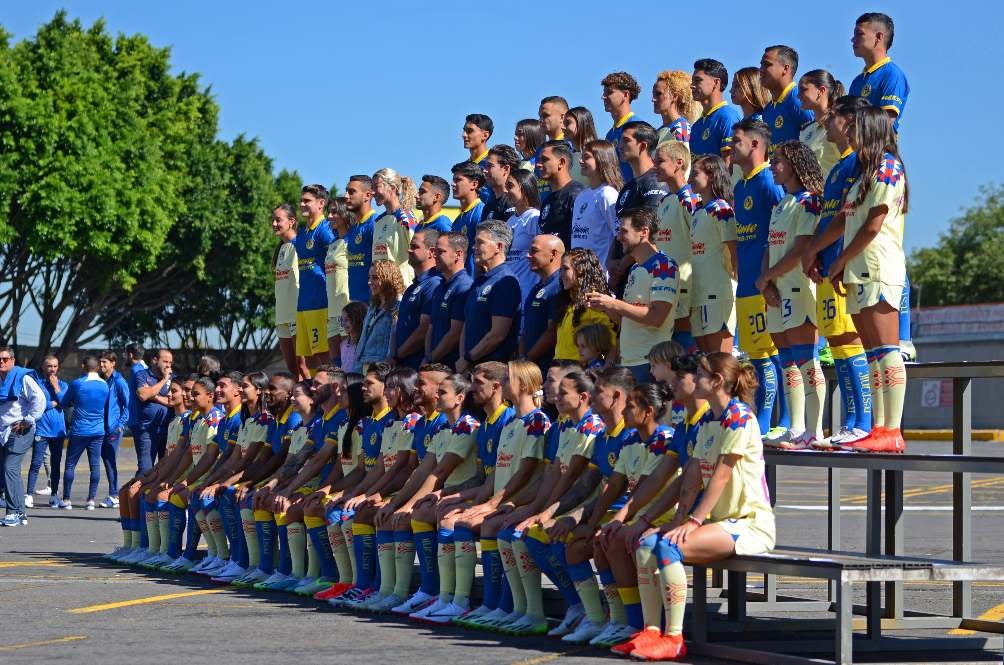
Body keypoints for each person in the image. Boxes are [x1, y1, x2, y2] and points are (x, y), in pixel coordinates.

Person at [632, 353, 774, 661]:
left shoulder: (739, 417)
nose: (694, 378)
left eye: (700, 373)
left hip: (748, 523)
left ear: (717, 381)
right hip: (720, 523)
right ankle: (651, 631)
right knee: (646, 546)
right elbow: (692, 476)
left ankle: (674, 638)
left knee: (669, 547)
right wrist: (678, 519)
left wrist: (693, 522)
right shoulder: (708, 419)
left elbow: (721, 476)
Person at [829, 105, 909, 453]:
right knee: (873, 354)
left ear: (871, 129)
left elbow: (873, 226)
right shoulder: (865, 172)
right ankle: (879, 427)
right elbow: (848, 223)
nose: (848, 132)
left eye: (854, 127)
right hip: (858, 269)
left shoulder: (888, 167)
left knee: (887, 350)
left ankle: (893, 429)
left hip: (878, 268)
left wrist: (840, 261)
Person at [802, 95, 872, 447]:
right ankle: (851, 422)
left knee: (849, 339)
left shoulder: (859, 164)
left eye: (832, 118)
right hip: (829, 264)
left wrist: (815, 248)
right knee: (837, 340)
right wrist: (817, 253)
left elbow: (846, 218)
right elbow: (828, 216)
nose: (826, 123)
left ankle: (863, 421)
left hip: (845, 264)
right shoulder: (837, 167)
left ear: (849, 122)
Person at [757, 140, 826, 449]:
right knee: (788, 363)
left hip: (799, 289)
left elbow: (801, 250)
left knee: (806, 360)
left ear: (796, 165)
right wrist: (766, 283)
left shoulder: (809, 202)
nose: (773, 166)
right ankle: (795, 428)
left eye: (778, 161)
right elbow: (770, 248)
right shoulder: (781, 204)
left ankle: (815, 430)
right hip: (777, 291)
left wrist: (767, 277)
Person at [731, 119, 786, 437]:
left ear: (755, 144)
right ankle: (764, 419)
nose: (731, 145)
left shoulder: (768, 181)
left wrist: (771, 278)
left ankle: (782, 420)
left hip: (766, 284)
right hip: (747, 283)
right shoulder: (741, 186)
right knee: (756, 355)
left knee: (773, 354)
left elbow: (782, 230)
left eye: (736, 140)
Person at [587, 208, 679, 382]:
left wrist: (614, 304)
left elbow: (657, 317)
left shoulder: (664, 265)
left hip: (650, 363)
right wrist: (605, 307)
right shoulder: (636, 268)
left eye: (624, 231)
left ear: (644, 232)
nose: (618, 237)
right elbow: (626, 320)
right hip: (628, 362)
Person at [688, 155, 739, 353]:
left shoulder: (721, 209)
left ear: (711, 176)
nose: (690, 178)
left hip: (718, 293)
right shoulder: (698, 211)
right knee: (706, 360)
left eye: (695, 173)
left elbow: (733, 248)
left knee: (721, 360)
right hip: (699, 293)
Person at [458, 220, 522, 373]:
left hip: (492, 373)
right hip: (471, 369)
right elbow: (467, 324)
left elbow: (497, 335)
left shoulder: (505, 281)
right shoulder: (479, 281)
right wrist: (463, 359)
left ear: (499, 247)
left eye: (480, 242)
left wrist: (467, 358)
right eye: (474, 242)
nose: (474, 247)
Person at [654, 140, 700, 352]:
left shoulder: (690, 198)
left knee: (686, 340)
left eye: (660, 161)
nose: (654, 166)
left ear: (679, 163)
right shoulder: (664, 201)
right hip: (668, 282)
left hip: (688, 282)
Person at [0, 347, 46, 526]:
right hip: (4, 432)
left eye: (5, 359)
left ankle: (12, 513)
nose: (1, 362)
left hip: (20, 431)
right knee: (10, 472)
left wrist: (29, 420)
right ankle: (20, 513)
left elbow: (40, 399)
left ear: (12, 360)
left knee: (9, 468)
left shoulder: (22, 378)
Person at [59, 356, 110, 511]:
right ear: (97, 367)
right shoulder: (105, 385)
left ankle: (66, 499)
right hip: (98, 430)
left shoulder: (77, 383)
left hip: (79, 430)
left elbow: (64, 402)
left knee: (70, 464)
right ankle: (91, 500)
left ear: (83, 366)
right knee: (95, 465)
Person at [294, 184, 336, 370]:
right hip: (303, 302)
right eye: (301, 200)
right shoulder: (303, 232)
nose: (302, 204)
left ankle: (328, 386)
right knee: (309, 357)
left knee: (323, 354)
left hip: (320, 302)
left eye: (307, 201)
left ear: (321, 203)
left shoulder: (325, 229)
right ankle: (313, 387)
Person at [390, 228, 442, 369]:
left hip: (417, 367)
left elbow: (424, 329)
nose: (409, 250)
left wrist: (397, 355)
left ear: (432, 252)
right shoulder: (413, 287)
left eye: (415, 247)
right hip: (403, 365)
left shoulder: (434, 284)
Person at [849, 11, 909, 132]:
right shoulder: (857, 81)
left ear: (879, 37)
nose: (852, 39)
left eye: (859, 34)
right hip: (857, 145)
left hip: (877, 144)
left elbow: (886, 123)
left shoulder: (892, 75)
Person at [554, 248, 616, 363]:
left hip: (580, 367)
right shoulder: (568, 301)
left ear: (581, 270)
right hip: (560, 364)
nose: (561, 274)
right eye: (560, 269)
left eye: (566, 269)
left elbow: (609, 339)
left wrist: (604, 365)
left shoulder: (594, 301)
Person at [571, 140, 623, 271]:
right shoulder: (581, 196)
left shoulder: (607, 194)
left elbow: (619, 235)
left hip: (600, 273)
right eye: (581, 157)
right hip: (580, 273)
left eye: (586, 157)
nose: (580, 161)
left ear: (601, 160)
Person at [425, 232, 473, 367]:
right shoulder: (439, 287)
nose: (435, 255)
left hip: (449, 367)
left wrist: (431, 359)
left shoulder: (464, 287)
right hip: (432, 365)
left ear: (458, 254)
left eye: (440, 251)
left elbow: (455, 333)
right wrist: (427, 357)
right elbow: (431, 327)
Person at [759, 45, 815, 153]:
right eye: (761, 65)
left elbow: (814, 142)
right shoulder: (767, 110)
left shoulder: (799, 101)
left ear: (785, 69)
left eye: (766, 64)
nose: (760, 70)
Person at [521, 234, 565, 371]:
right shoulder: (538, 287)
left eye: (534, 251)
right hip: (530, 367)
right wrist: (521, 358)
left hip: (546, 369)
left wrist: (528, 359)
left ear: (553, 254)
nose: (528, 256)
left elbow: (553, 331)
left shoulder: (559, 286)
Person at [27, 355, 66, 507]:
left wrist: (56, 388)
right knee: (35, 463)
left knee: (55, 464)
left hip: (58, 432)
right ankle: (29, 495)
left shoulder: (63, 385)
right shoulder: (37, 384)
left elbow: (65, 403)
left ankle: (54, 495)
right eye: (49, 366)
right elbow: (36, 405)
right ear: (43, 367)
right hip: (41, 430)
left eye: (55, 366)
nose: (52, 369)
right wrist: (53, 403)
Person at [126, 343, 171, 473]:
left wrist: (154, 395)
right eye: (165, 361)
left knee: (166, 469)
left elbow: (172, 401)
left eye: (170, 362)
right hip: (146, 429)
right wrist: (164, 380)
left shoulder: (173, 378)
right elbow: (143, 395)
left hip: (167, 430)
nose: (168, 365)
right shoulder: (141, 374)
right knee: (145, 469)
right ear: (155, 360)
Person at [353, 260, 404, 373]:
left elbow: (394, 339)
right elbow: (363, 340)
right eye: (369, 277)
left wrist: (386, 365)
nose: (369, 282)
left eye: (375, 278)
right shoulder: (373, 306)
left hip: (382, 368)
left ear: (388, 278)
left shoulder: (398, 305)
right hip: (364, 364)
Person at [372, 168, 419, 285]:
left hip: (403, 286)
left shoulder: (405, 217)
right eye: (372, 187)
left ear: (393, 188)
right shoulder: (378, 221)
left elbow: (418, 252)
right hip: (382, 289)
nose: (373, 192)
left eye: (376, 186)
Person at [502, 167, 542, 302]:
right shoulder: (510, 220)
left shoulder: (535, 218)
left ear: (524, 188)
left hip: (527, 291)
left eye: (510, 186)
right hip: (508, 291)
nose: (505, 191)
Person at [689, 59, 742, 160]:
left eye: (698, 80)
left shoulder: (727, 117)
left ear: (716, 83)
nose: (692, 85)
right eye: (692, 81)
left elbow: (729, 164)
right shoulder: (696, 125)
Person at [537, 141, 585, 249]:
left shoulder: (577, 195)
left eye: (544, 159)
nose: (538, 164)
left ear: (561, 162)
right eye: (539, 160)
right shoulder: (547, 200)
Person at [614, 122, 667, 217]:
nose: (620, 146)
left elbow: (653, 222)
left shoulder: (657, 182)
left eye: (626, 141)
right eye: (620, 141)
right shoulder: (628, 187)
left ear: (643, 146)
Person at [798, 69, 845, 178]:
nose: (798, 96)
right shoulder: (806, 130)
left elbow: (848, 161)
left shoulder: (838, 126)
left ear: (821, 90)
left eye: (803, 90)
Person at [272, 203, 301, 376]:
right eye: (273, 220)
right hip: (282, 315)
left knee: (303, 366)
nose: (274, 224)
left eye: (278, 220)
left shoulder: (300, 244)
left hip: (296, 314)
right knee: (292, 368)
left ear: (291, 221)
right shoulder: (281, 248)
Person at [98, 351, 130, 508]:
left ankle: (114, 495)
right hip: (102, 428)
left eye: (105, 362)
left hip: (113, 429)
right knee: (106, 460)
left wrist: (120, 425)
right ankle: (113, 493)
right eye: (100, 362)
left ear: (113, 363)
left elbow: (128, 405)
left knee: (110, 460)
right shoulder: (103, 380)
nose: (102, 364)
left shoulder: (119, 381)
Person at [325, 197, 352, 368]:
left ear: (345, 213)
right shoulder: (333, 243)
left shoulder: (352, 240)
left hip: (346, 307)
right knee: (335, 364)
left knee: (348, 361)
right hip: (332, 310)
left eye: (334, 212)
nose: (330, 216)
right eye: (329, 212)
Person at [601, 71, 642, 181]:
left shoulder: (638, 126)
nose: (603, 97)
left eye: (609, 92)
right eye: (604, 93)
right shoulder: (610, 134)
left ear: (625, 95)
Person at [344, 175, 379, 303]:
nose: (346, 196)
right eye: (346, 191)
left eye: (351, 192)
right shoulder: (353, 229)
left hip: (370, 303)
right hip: (353, 302)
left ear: (367, 196)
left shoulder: (376, 224)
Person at [450, 161, 486, 276]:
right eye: (453, 180)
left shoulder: (481, 212)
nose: (453, 184)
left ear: (474, 184)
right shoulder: (457, 220)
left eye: (458, 180)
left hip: (473, 281)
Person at [652, 70, 700, 146]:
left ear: (674, 96)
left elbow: (682, 154)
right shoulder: (659, 132)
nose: (653, 99)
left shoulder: (681, 129)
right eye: (653, 94)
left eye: (659, 94)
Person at [482, 145, 520, 223]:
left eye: (490, 166)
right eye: (486, 166)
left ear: (506, 169)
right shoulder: (488, 207)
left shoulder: (514, 202)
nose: (485, 170)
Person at [462, 113, 495, 203]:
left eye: (469, 131)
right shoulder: (465, 166)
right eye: (464, 130)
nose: (464, 135)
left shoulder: (494, 163)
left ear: (485, 135)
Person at [563, 106, 599, 186]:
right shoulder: (568, 156)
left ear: (581, 123)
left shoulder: (597, 153)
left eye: (568, 123)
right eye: (563, 123)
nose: (562, 127)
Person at [339, 302, 367, 373]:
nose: (343, 324)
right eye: (342, 320)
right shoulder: (343, 344)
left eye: (347, 320)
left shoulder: (366, 345)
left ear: (357, 320)